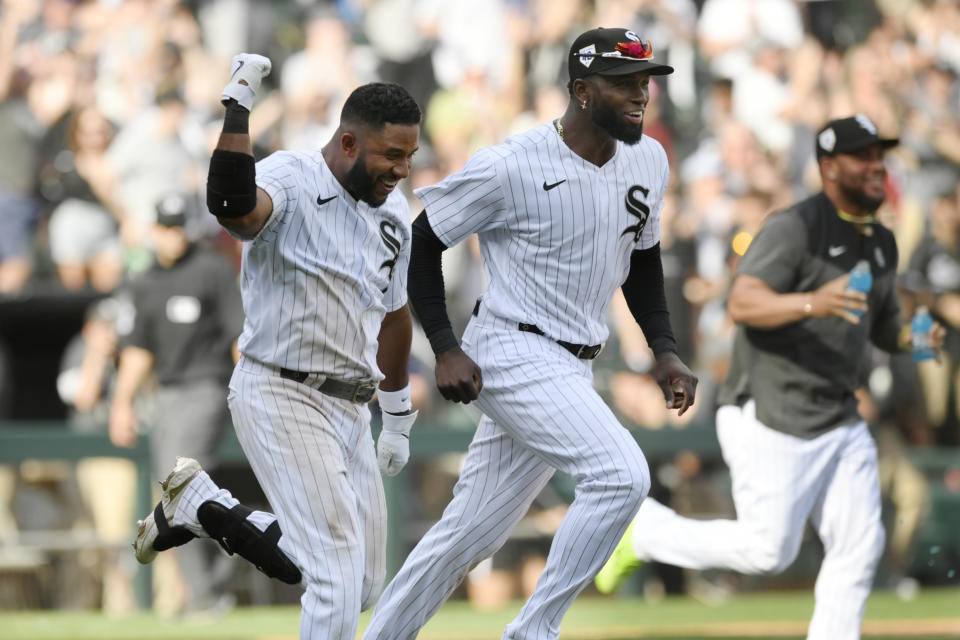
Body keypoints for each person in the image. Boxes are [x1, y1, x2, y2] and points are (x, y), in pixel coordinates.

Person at [362, 28, 698, 640]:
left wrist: (665, 350)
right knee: (622, 474)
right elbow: (422, 242)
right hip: (512, 350)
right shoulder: (510, 164)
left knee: (467, 535)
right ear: (581, 89)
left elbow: (642, 260)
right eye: (625, 83)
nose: (642, 94)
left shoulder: (649, 157)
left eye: (646, 81)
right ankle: (533, 632)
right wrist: (445, 345)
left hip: (573, 363)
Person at [594, 115, 947, 640]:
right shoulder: (795, 227)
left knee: (860, 542)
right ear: (829, 168)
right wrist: (813, 301)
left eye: (880, 156)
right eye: (863, 157)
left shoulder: (879, 243)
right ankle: (646, 531)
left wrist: (913, 337)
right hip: (771, 411)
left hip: (837, 416)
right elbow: (743, 300)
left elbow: (883, 324)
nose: (876, 167)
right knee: (768, 551)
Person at [129, 54, 422, 640]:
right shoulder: (292, 176)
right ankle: (202, 505)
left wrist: (397, 416)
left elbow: (394, 317)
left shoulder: (393, 213)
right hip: (282, 387)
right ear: (347, 142)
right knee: (335, 576)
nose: (402, 169)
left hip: (350, 404)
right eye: (392, 154)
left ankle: (203, 506)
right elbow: (233, 208)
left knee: (362, 583)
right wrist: (238, 107)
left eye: (410, 156)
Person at [109, 193, 243, 616]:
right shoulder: (144, 281)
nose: (173, 235)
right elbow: (137, 352)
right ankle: (220, 576)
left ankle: (207, 595)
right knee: (178, 492)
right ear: (154, 230)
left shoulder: (211, 270)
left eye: (179, 225)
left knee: (179, 487)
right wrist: (121, 404)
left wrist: (248, 393)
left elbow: (238, 336)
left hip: (205, 387)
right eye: (166, 227)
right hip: (164, 394)